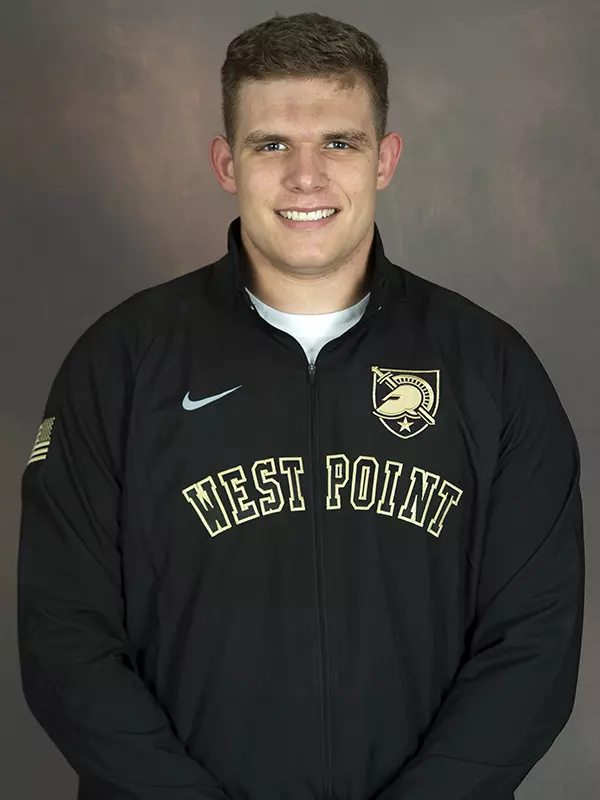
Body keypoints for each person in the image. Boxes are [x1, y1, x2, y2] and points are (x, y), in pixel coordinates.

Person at [17, 11, 585, 800]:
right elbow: (64, 639)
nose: (306, 176)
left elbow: (535, 641)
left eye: (339, 142)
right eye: (272, 144)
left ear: (386, 158)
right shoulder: (119, 364)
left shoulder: (492, 369)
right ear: (227, 162)